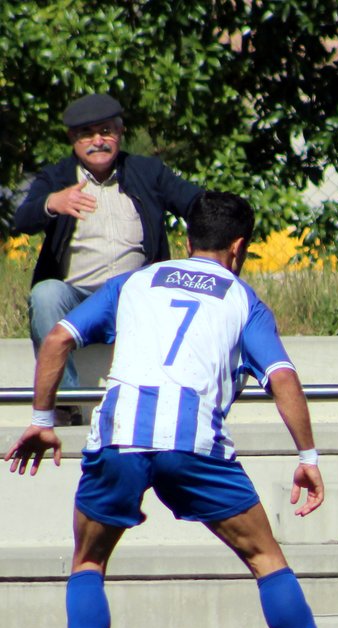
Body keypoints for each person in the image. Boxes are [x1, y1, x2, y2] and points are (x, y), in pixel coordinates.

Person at [5, 192, 338, 628]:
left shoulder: (135, 281)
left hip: (119, 437)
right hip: (194, 444)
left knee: (89, 562)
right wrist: (308, 455)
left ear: (186, 240)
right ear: (240, 247)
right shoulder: (244, 300)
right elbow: (282, 378)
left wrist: (43, 421)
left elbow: (56, 339)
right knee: (266, 559)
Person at [12, 92, 203, 425]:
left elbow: (197, 204)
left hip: (137, 295)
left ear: (120, 132)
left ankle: (168, 409)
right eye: (86, 134)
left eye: (105, 131)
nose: (97, 141)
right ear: (72, 139)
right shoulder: (56, 177)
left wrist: (222, 225)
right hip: (79, 299)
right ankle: (67, 403)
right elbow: (22, 220)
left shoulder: (147, 171)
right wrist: (51, 203)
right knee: (45, 294)